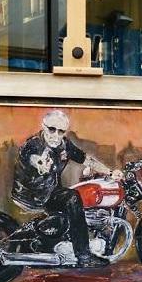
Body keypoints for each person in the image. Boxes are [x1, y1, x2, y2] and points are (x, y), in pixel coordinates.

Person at [12, 109, 119, 266]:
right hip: (32, 194)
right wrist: (42, 164)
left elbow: (86, 159)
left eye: (61, 131)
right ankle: (84, 256)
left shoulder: (64, 144)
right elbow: (36, 159)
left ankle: (60, 247)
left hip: (49, 191)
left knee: (70, 202)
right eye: (51, 129)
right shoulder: (32, 145)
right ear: (43, 126)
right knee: (73, 197)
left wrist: (109, 171)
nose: (56, 135)